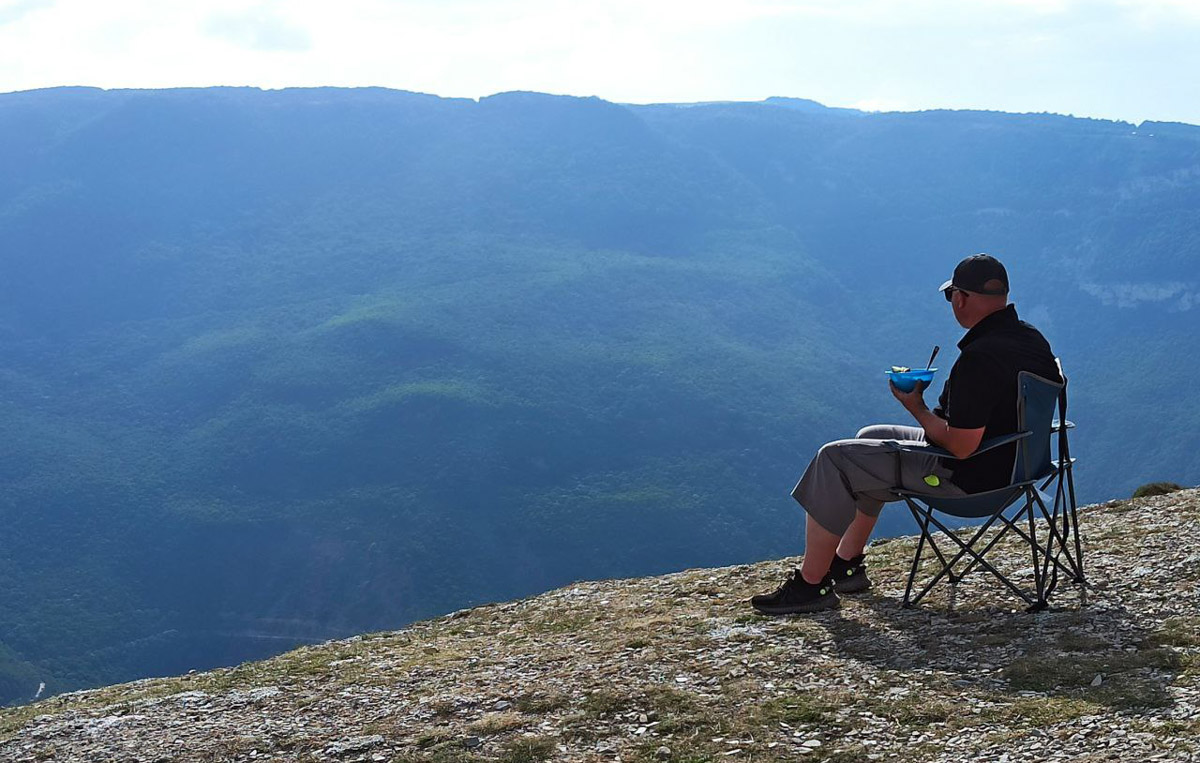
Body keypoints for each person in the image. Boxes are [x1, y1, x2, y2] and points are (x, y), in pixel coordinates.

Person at [751, 253, 1063, 614]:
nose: (951, 304)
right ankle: (845, 564)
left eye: (951, 297)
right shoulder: (1030, 339)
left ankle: (810, 586)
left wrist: (915, 405)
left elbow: (961, 446)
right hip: (1017, 467)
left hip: (967, 479)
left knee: (832, 458)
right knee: (871, 436)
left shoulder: (980, 358)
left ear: (961, 297)